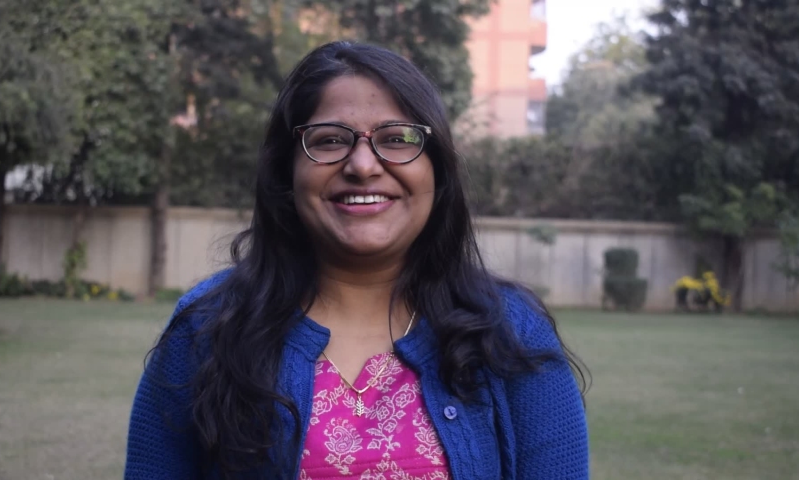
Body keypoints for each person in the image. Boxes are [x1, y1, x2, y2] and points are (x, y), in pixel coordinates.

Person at [125, 41, 589, 479]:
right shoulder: (207, 329)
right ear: (287, 171)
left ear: (438, 170)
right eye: (328, 140)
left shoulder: (512, 333)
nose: (363, 165)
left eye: (397, 138)